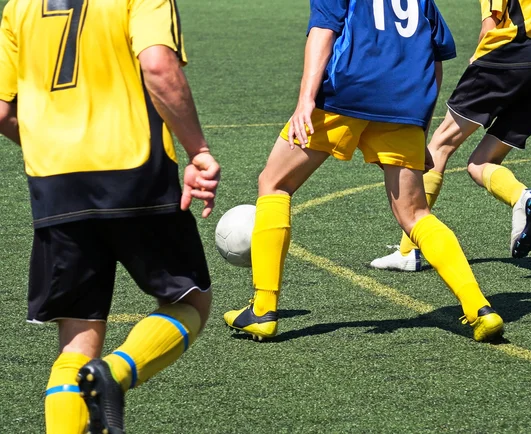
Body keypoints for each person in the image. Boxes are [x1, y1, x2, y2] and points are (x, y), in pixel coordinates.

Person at [224, 0, 504, 344]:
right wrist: (421, 128)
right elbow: (435, 57)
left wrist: (305, 100)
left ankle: (263, 309)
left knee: (275, 183)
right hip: (406, 102)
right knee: (415, 214)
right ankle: (479, 308)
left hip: (347, 93)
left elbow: (323, 31)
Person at [0, 0, 220, 433]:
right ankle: (116, 376)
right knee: (190, 300)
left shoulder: (18, 7)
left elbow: (3, 111)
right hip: (133, 170)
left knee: (76, 343)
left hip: (54, 181)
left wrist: (54, 145)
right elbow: (157, 66)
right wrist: (199, 151)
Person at [370, 0, 531, 271]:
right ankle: (520, 196)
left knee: (439, 146)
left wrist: (480, 56)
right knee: (481, 161)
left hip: (510, 52)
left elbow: (492, 18)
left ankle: (411, 250)